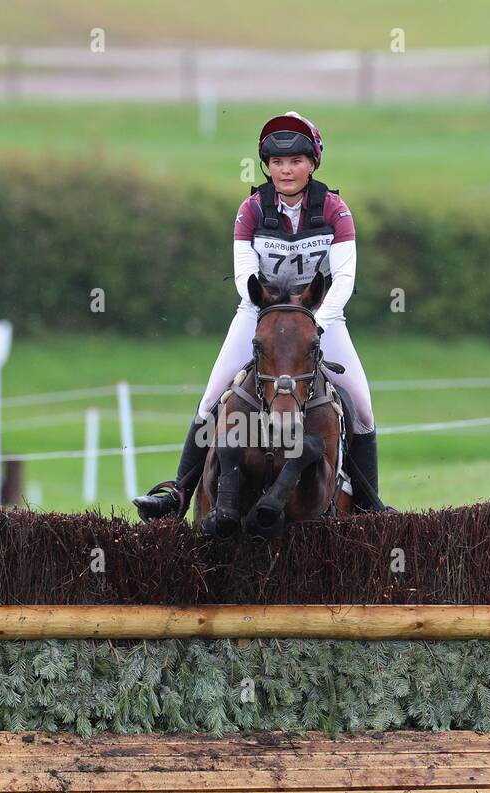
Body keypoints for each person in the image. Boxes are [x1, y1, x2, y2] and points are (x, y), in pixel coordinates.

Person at [132, 111, 385, 520]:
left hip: (320, 317)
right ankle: (177, 496)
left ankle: (370, 506)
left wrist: (313, 325)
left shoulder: (335, 210)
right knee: (213, 396)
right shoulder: (250, 210)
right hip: (258, 313)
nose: (286, 170)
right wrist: (271, 316)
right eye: (278, 162)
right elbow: (244, 277)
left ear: (313, 164)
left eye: (296, 161)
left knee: (362, 404)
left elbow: (344, 278)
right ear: (267, 166)